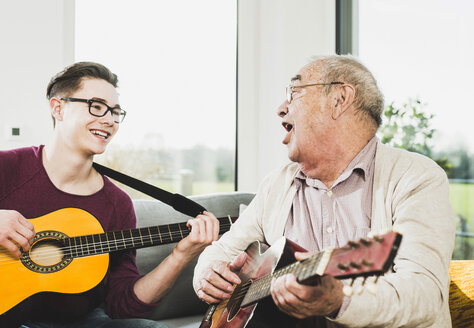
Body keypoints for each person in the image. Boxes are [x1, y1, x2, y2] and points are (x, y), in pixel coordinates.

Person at [193, 55, 455, 327]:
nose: (281, 108)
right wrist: (207, 275)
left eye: (294, 92)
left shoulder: (416, 177)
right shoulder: (275, 184)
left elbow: (424, 293)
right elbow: (221, 251)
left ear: (340, 99)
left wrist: (341, 300)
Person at [0, 62, 219, 328]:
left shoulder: (116, 203)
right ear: (58, 108)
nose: (109, 120)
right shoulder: (8, 167)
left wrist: (181, 256)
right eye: (96, 106)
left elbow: (123, 305)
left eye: (115, 112)